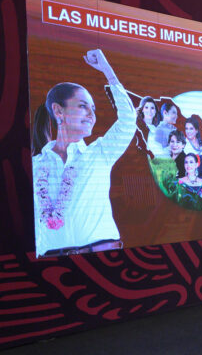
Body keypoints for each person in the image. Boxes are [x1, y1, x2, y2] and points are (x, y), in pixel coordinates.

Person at [31, 49, 137, 257]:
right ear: (58, 111)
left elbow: (128, 120)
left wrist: (107, 70)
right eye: (82, 106)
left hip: (103, 257)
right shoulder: (35, 165)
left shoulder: (99, 154)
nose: (91, 115)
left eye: (94, 109)